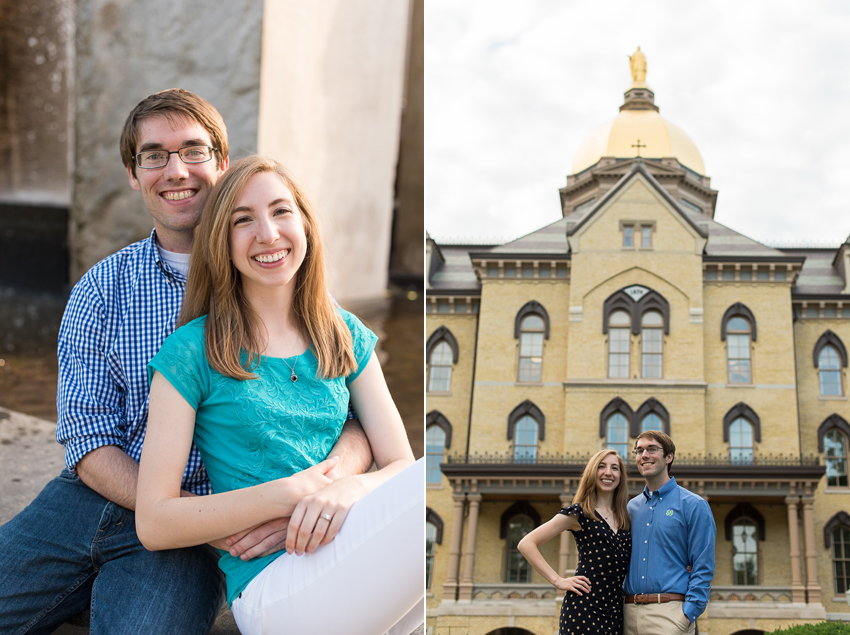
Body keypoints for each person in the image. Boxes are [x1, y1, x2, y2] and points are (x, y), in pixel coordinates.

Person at [0, 89, 374, 634]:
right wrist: (179, 517)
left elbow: (352, 408)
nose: (176, 170)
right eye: (154, 155)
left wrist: (332, 480)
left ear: (221, 164)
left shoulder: (279, 281)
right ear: (134, 173)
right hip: (91, 502)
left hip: (208, 520)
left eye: (194, 151)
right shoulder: (101, 290)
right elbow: (85, 436)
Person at [134, 155, 424, 635]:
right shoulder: (191, 350)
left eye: (281, 211)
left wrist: (347, 489)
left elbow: (400, 464)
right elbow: (155, 520)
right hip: (274, 586)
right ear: (221, 244)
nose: (267, 233)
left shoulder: (343, 333)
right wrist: (287, 497)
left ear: (305, 226)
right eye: (243, 221)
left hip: (350, 547)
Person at [518, 449, 632, 635]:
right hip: (583, 607)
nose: (608, 473)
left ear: (620, 476)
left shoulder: (626, 517)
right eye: (601, 467)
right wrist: (558, 580)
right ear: (592, 473)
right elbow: (526, 543)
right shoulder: (578, 513)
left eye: (615, 468)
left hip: (616, 609)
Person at [623, 431, 716, 635]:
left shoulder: (694, 505)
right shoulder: (631, 508)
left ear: (669, 457)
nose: (644, 455)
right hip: (627, 614)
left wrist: (687, 614)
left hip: (670, 615)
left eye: (652, 449)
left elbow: (703, 565)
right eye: (639, 451)